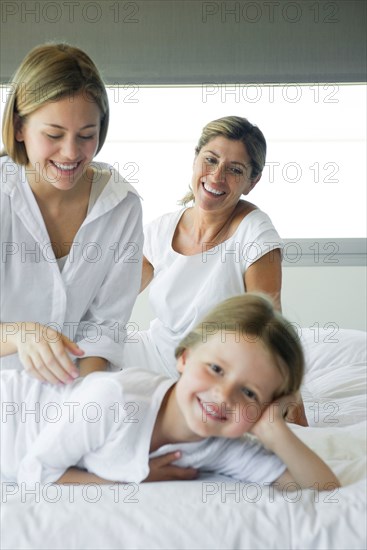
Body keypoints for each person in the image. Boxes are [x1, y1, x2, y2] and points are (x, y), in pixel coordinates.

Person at [1, 294, 340, 492]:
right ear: (184, 357)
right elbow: (35, 472)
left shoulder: (219, 446)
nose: (223, 397)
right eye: (216, 369)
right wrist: (134, 478)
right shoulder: (115, 399)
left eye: (250, 393)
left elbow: (322, 487)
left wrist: (273, 429)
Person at [0, 44, 143, 383]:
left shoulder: (122, 206)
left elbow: (105, 329)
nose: (71, 153)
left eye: (86, 136)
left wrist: (80, 406)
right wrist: (18, 334)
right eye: (53, 135)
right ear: (19, 128)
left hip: (74, 394)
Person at [123, 116, 283, 380]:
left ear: (252, 182)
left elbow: (269, 325)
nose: (217, 176)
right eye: (210, 160)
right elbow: (114, 298)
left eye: (235, 170)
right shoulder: (161, 229)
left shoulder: (255, 232)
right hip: (154, 353)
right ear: (195, 159)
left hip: (215, 369)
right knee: (82, 358)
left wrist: (287, 394)